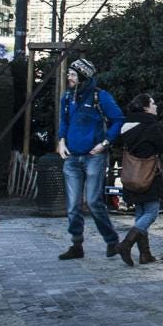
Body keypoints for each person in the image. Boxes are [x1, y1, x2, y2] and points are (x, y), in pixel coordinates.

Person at [56, 57, 125, 260]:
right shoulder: (67, 98)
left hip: (93, 156)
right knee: (72, 205)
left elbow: (118, 119)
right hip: (72, 157)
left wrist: (104, 143)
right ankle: (77, 244)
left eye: (73, 74)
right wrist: (61, 141)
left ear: (83, 77)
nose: (68, 77)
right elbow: (64, 121)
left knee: (94, 202)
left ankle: (112, 241)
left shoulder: (100, 97)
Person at [114, 93, 163, 266]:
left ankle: (145, 254)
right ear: (146, 107)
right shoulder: (152, 126)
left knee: (140, 213)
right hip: (148, 175)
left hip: (131, 175)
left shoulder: (125, 125)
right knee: (151, 213)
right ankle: (126, 244)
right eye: (153, 103)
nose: (156, 106)